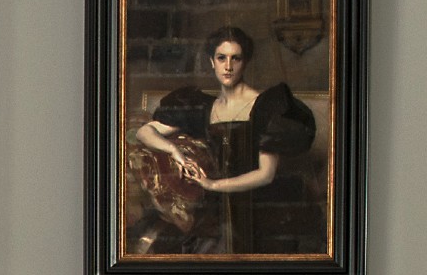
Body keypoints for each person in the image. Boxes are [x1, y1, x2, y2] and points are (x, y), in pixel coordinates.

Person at [129, 27, 319, 255]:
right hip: (214, 206)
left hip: (255, 204)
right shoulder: (202, 106)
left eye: (235, 58)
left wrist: (213, 185)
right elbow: (145, 132)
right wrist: (173, 151)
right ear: (212, 61)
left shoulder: (265, 106)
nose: (228, 66)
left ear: (245, 62)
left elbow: (266, 174)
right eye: (221, 58)